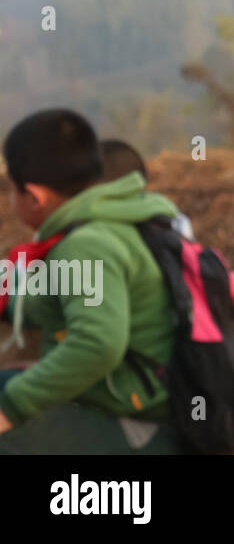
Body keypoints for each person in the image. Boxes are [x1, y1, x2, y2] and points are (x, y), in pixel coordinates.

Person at [0, 110, 181, 453]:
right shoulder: (121, 221)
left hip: (145, 428)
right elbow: (49, 298)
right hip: (141, 401)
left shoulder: (86, 245)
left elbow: (97, 344)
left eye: (12, 189)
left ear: (35, 197)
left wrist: (10, 410)